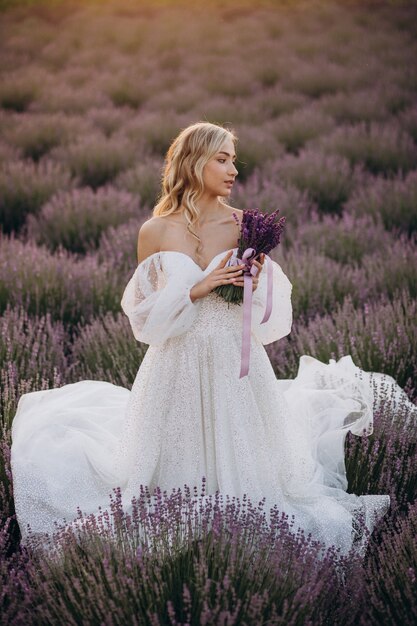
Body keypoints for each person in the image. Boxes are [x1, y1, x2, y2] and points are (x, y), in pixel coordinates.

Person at [11, 121, 410, 558]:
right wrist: (197, 288)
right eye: (222, 159)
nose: (233, 169)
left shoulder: (246, 226)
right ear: (194, 162)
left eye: (233, 160)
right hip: (175, 359)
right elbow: (146, 318)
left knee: (247, 465)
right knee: (169, 467)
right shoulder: (155, 230)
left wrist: (255, 282)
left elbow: (264, 314)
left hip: (232, 358)